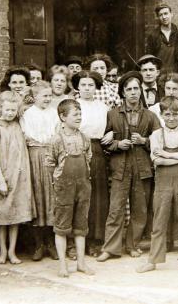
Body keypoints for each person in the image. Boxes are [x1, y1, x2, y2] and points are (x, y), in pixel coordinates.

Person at [136, 96, 178, 275]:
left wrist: (168, 155)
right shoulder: (156, 135)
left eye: (175, 114)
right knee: (159, 222)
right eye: (167, 114)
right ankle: (153, 261)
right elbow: (156, 160)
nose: (171, 118)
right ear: (161, 115)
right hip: (163, 183)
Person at [97, 72, 161, 261]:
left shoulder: (150, 116)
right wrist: (118, 144)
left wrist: (144, 140)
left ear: (140, 91)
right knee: (116, 209)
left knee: (139, 210)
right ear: (123, 93)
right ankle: (110, 248)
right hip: (120, 167)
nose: (133, 92)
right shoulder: (112, 114)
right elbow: (104, 142)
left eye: (136, 88)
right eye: (129, 89)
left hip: (142, 168)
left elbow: (160, 141)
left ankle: (133, 245)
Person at [46, 99, 95, 278]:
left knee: (81, 225)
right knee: (62, 226)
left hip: (83, 186)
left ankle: (81, 263)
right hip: (63, 187)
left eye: (80, 114)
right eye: (75, 114)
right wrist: (59, 180)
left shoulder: (84, 138)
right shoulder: (56, 140)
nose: (79, 117)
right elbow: (50, 164)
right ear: (62, 117)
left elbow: (88, 158)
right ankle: (62, 266)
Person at [0, 91, 35, 265]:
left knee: (14, 216)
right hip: (1, 176)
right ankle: (2, 251)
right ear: (1, 108)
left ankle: (12, 251)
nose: (10, 113)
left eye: (13, 110)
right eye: (7, 109)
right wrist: (0, 180)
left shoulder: (18, 126)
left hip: (18, 176)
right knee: (2, 216)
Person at [72, 71, 110, 257]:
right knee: (77, 195)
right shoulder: (72, 105)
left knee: (97, 195)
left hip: (97, 150)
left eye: (91, 85)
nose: (87, 88)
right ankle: (76, 241)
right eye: (83, 84)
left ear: (96, 87)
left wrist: (111, 133)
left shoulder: (102, 107)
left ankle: (96, 239)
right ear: (77, 86)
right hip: (75, 149)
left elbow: (110, 128)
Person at [21, 81, 60, 261]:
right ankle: (38, 244)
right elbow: (27, 136)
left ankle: (51, 243)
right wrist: (39, 143)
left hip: (51, 156)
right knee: (38, 197)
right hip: (34, 156)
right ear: (35, 97)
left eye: (50, 95)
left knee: (52, 197)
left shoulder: (54, 113)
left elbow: (58, 133)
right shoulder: (27, 114)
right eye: (44, 95)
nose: (48, 98)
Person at [145, 3, 178, 72]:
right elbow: (150, 58)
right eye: (161, 15)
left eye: (166, 13)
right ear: (158, 17)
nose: (164, 17)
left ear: (171, 14)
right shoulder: (153, 35)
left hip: (177, 73)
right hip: (160, 73)